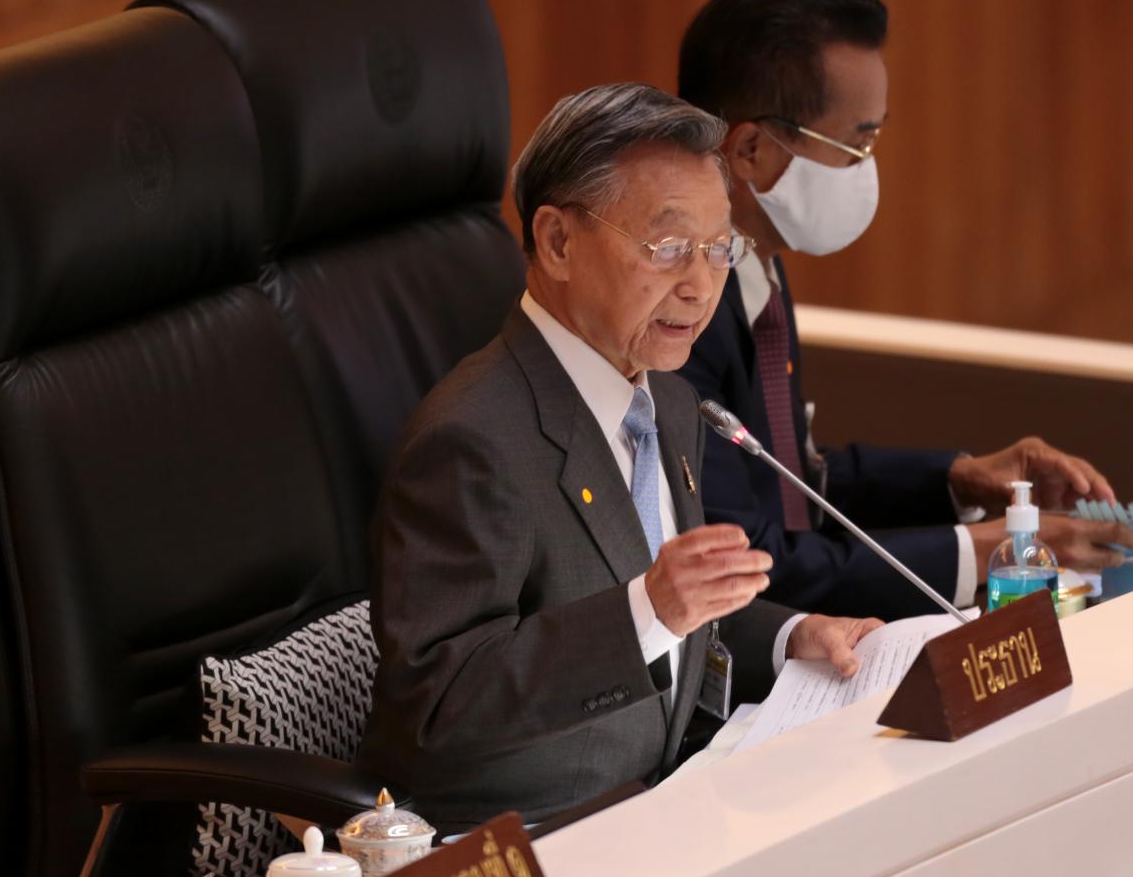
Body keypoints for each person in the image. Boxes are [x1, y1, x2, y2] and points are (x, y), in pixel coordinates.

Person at [359, 82, 881, 833]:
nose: (700, 286)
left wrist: (789, 636)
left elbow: (663, 622)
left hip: (657, 808)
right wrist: (652, 606)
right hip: (525, 835)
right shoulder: (471, 441)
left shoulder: (666, 399)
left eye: (717, 248)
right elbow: (443, 706)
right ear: (558, 242)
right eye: (667, 247)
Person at [676, 0, 1133, 620]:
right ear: (752, 150)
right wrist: (984, 551)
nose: (868, 167)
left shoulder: (757, 265)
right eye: (855, 145)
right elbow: (755, 567)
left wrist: (958, 479)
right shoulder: (681, 312)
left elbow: (792, 481)